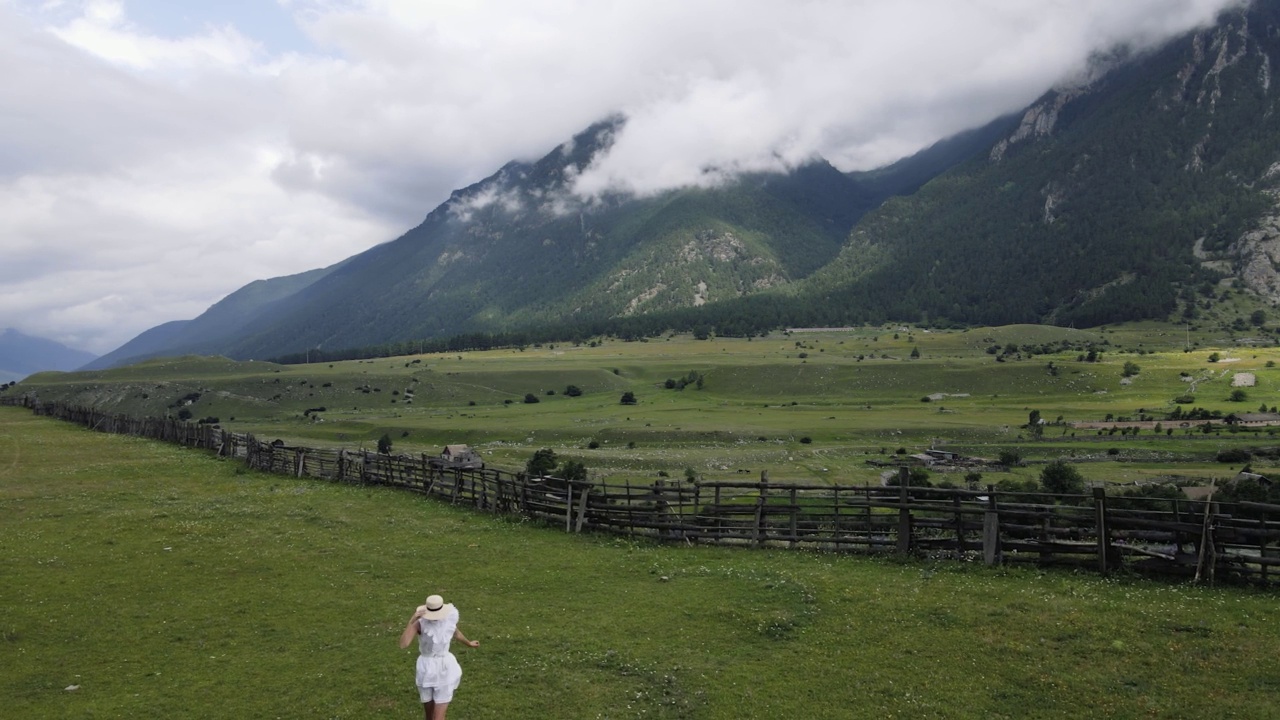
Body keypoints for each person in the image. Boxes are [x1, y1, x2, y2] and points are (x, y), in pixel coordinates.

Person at [399, 594, 479, 720]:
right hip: (426, 668)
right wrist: (412, 619)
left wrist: (469, 643)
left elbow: (456, 633)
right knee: (429, 716)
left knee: (438, 717)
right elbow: (404, 644)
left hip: (445, 668)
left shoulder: (448, 619)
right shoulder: (420, 624)